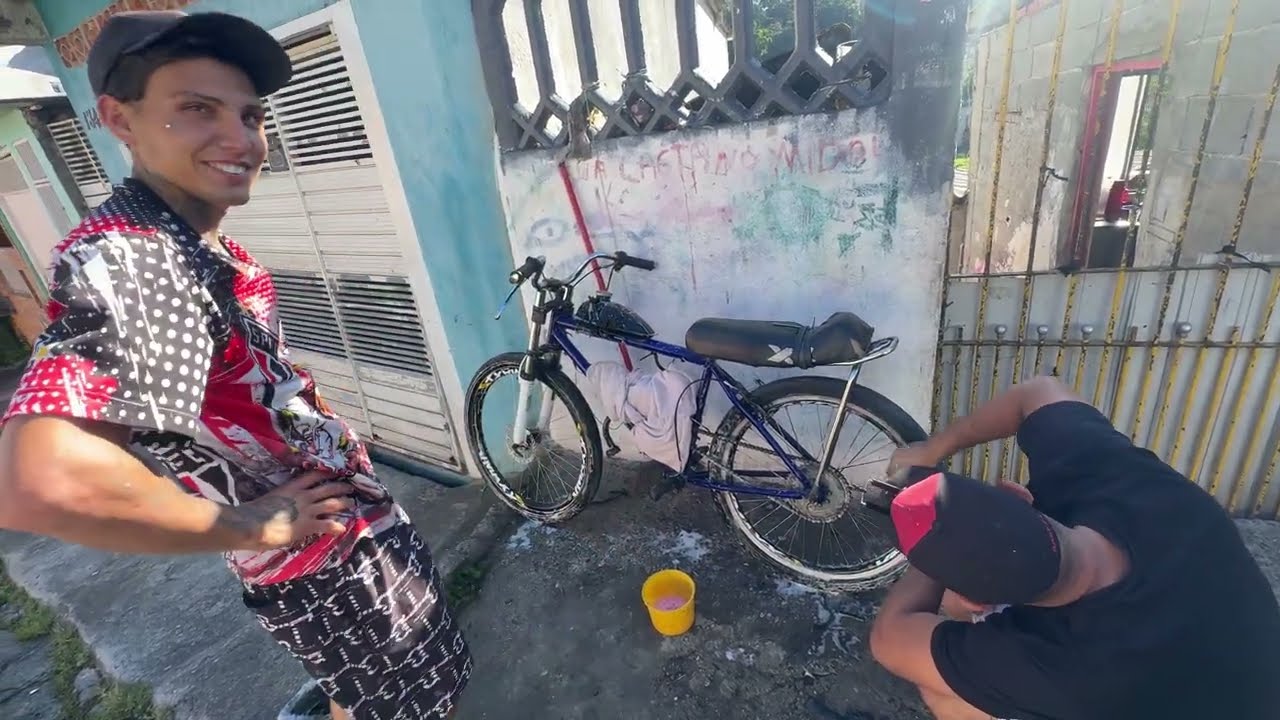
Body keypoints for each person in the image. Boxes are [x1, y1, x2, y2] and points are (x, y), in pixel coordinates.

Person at [0, 11, 470, 720]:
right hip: (323, 568)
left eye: (250, 115)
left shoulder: (193, 243)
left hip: (344, 536)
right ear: (118, 119)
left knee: (374, 697)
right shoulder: (139, 260)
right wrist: (256, 526)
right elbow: (43, 482)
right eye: (196, 109)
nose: (241, 138)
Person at [868, 375, 1280, 720]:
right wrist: (933, 449)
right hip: (1257, 678)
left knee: (942, 692)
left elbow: (890, 638)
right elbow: (1039, 390)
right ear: (1017, 495)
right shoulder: (1122, 479)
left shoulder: (1063, 667)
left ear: (979, 603)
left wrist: (938, 552)